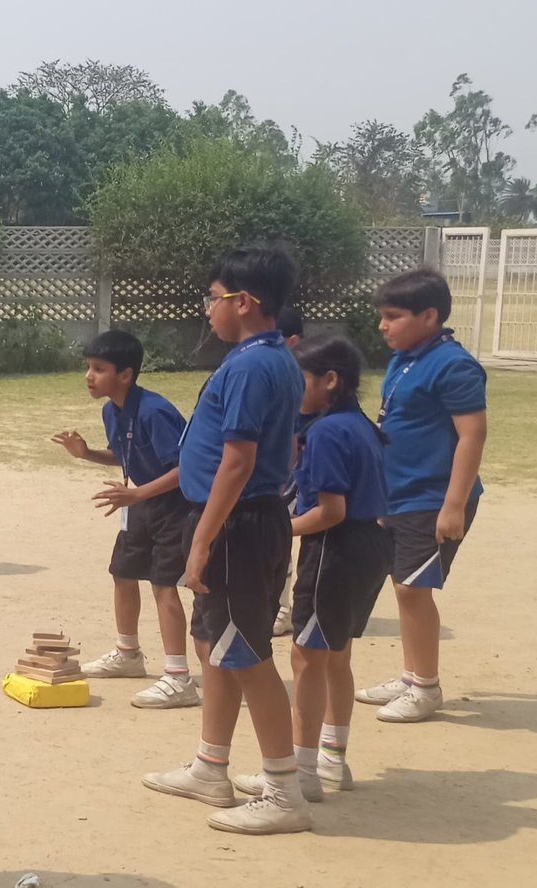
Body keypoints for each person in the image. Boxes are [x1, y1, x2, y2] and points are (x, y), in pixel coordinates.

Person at [141, 244, 309, 834]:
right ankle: (210, 765)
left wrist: (202, 541)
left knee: (248, 655)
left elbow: (238, 461)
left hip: (239, 525)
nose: (207, 309)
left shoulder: (252, 366)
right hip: (239, 519)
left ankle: (284, 792)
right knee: (215, 644)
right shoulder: (266, 358)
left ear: (244, 302)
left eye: (213, 298)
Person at [231, 336, 388, 803]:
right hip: (371, 546)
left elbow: (330, 511)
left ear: (330, 381)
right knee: (336, 655)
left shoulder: (326, 433)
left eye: (299, 381)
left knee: (306, 657)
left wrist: (280, 531)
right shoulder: (358, 424)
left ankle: (301, 771)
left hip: (335, 550)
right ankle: (332, 759)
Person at [356, 269, 487, 724]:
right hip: (398, 493)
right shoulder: (405, 358)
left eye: (393, 316)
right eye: (382, 316)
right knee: (403, 586)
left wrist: (454, 505)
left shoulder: (454, 365)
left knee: (413, 588)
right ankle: (411, 676)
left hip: (433, 497)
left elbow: (472, 435)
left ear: (430, 316)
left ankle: (426, 689)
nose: (383, 325)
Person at [53, 330, 197, 709]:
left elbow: (185, 468)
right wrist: (86, 453)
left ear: (126, 375)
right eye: (88, 367)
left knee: (163, 585)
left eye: (99, 369)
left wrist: (136, 493)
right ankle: (128, 654)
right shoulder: (110, 410)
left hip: (174, 506)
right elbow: (124, 455)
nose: (89, 376)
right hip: (141, 502)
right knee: (123, 573)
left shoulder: (154, 411)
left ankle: (179, 677)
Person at [272, 303, 304, 638]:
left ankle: (282, 609)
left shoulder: (306, 374)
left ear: (293, 341)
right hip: (278, 468)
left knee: (281, 534)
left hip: (300, 470)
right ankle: (279, 604)